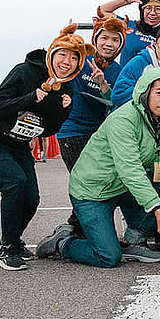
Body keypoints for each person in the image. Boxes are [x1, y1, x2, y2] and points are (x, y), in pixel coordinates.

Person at [35, 67, 160, 267]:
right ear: (145, 92)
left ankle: (133, 240)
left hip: (121, 186)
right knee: (108, 257)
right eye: (159, 93)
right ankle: (63, 243)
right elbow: (130, 169)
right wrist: (157, 211)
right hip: (92, 191)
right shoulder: (124, 119)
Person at [0, 24, 85, 271]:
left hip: (20, 143)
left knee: (32, 198)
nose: (68, 61)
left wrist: (63, 110)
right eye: (63, 54)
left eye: (74, 57)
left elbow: (49, 130)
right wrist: (33, 96)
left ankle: (14, 239)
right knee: (14, 183)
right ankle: (7, 247)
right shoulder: (25, 72)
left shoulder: (67, 86)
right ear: (52, 53)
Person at [51, 16, 128, 235]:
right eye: (104, 38)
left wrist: (103, 84)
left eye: (114, 39)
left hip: (98, 134)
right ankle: (78, 229)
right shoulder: (81, 57)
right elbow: (58, 64)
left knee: (93, 181)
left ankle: (76, 227)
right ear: (96, 38)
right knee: (83, 182)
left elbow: (116, 101)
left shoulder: (118, 70)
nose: (108, 43)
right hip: (71, 130)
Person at [111, 22, 160, 109]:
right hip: (131, 115)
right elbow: (118, 94)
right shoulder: (140, 62)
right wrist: (150, 99)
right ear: (156, 42)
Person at [96, 0, 160, 64]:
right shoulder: (128, 25)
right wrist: (127, 0)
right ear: (141, 9)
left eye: (158, 9)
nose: (152, 13)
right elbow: (102, 10)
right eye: (148, 8)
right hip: (125, 76)